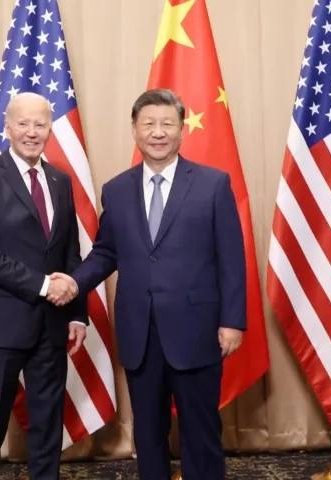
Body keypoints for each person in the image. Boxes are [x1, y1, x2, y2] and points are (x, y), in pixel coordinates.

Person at [50, 89, 246, 479]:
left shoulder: (212, 184)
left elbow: (232, 258)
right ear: (135, 131)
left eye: (167, 124)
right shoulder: (118, 189)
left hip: (198, 331)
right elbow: (106, 253)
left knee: (201, 431)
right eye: (149, 124)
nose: (158, 133)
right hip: (140, 332)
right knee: (149, 433)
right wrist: (73, 283)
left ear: (181, 131)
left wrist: (232, 321)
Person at [0, 91, 87, 480]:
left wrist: (78, 314)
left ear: (51, 127)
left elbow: (70, 253)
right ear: (7, 126)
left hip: (52, 325)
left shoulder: (60, 181)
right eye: (23, 123)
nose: (32, 132)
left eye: (41, 124)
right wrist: (42, 286)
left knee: (49, 421)